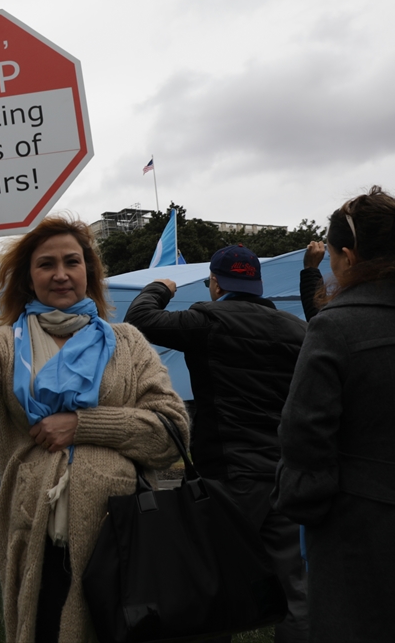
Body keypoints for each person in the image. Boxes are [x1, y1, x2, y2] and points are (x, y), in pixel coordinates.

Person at [0, 219, 188, 642]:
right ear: (30, 279)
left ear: (89, 271)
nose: (61, 273)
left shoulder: (128, 343)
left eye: (72, 261)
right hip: (37, 538)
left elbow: (169, 431)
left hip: (121, 538)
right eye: (46, 264)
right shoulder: (5, 345)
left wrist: (83, 425)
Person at [273, 187, 395, 643]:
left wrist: (303, 506)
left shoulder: (338, 326)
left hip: (363, 545)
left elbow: (304, 439)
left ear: (347, 256)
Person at [125, 243, 309, 642]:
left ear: (214, 283)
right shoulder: (299, 331)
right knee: (293, 587)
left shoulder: (205, 321)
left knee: (213, 577)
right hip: (285, 472)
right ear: (257, 285)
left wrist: (160, 286)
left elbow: (138, 319)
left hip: (231, 473)